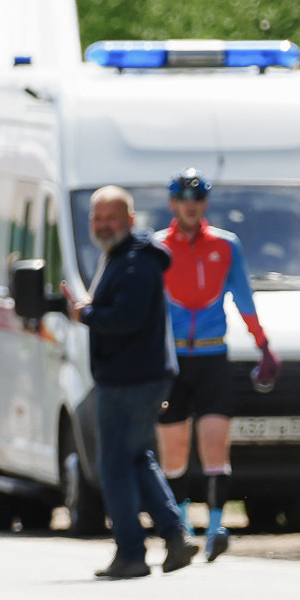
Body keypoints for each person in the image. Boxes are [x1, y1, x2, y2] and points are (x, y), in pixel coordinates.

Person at [69, 186, 198, 579]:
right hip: (137, 375)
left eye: (111, 218)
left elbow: (127, 318)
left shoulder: (136, 263)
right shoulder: (120, 257)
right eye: (97, 219)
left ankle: (130, 553)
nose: (104, 226)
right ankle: (175, 536)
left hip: (132, 378)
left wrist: (86, 314)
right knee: (136, 457)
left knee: (114, 464)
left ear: (130, 219)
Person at [157, 168, 278, 561]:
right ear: (173, 204)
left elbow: (244, 298)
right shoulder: (157, 247)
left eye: (198, 199)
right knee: (174, 452)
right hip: (173, 361)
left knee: (215, 445)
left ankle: (215, 526)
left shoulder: (227, 246)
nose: (191, 206)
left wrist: (264, 345)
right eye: (184, 199)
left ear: (204, 204)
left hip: (212, 356)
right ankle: (180, 528)